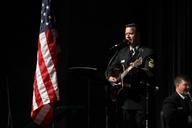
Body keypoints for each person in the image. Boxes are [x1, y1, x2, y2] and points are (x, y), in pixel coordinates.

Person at [105, 23, 155, 128]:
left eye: (131, 33)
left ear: (138, 35)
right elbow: (109, 69)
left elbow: (150, 73)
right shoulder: (121, 51)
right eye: (126, 34)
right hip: (123, 99)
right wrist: (111, 77)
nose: (127, 36)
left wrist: (137, 70)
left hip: (139, 99)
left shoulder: (146, 52)